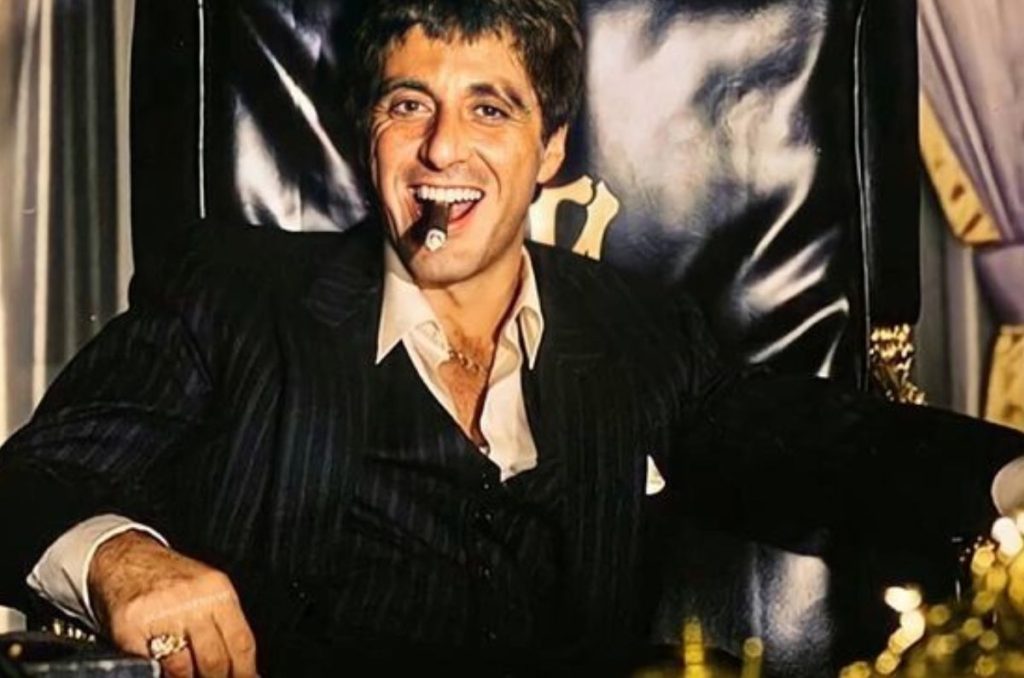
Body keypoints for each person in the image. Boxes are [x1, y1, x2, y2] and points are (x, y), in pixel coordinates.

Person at [1, 0, 1023, 675]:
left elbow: (822, 443)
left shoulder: (636, 330)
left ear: (551, 149)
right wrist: (121, 560)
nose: (442, 148)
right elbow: (23, 482)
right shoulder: (233, 294)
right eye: (409, 105)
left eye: (489, 109)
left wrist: (1015, 487)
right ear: (369, 136)